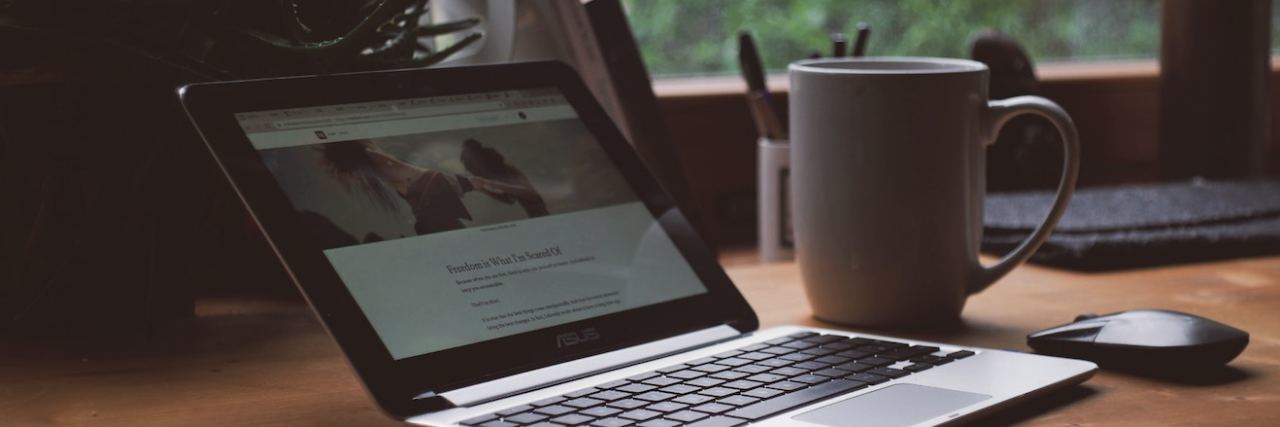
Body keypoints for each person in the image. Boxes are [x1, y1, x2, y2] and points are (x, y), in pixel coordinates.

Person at [322, 139, 546, 234]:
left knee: (484, 186)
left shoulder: (374, 170)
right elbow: (414, 176)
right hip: (435, 198)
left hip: (433, 204)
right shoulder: (374, 159)